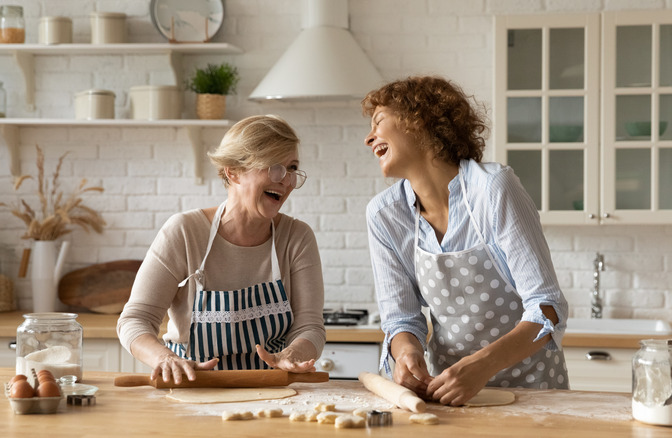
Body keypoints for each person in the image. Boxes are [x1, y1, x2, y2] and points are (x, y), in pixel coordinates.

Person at [362, 76, 569, 406]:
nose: (368, 138)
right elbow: (401, 320)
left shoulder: (493, 189)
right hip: (451, 397)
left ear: (420, 121)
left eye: (379, 122)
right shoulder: (385, 215)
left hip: (533, 394)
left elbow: (547, 309)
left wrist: (484, 365)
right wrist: (407, 353)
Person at [117, 115, 325, 384]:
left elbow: (310, 326)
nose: (286, 181)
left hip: (272, 392)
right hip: (193, 388)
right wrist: (165, 359)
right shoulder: (184, 232)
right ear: (233, 171)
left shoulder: (297, 237)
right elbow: (134, 320)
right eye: (274, 167)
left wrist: (293, 354)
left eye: (292, 168)